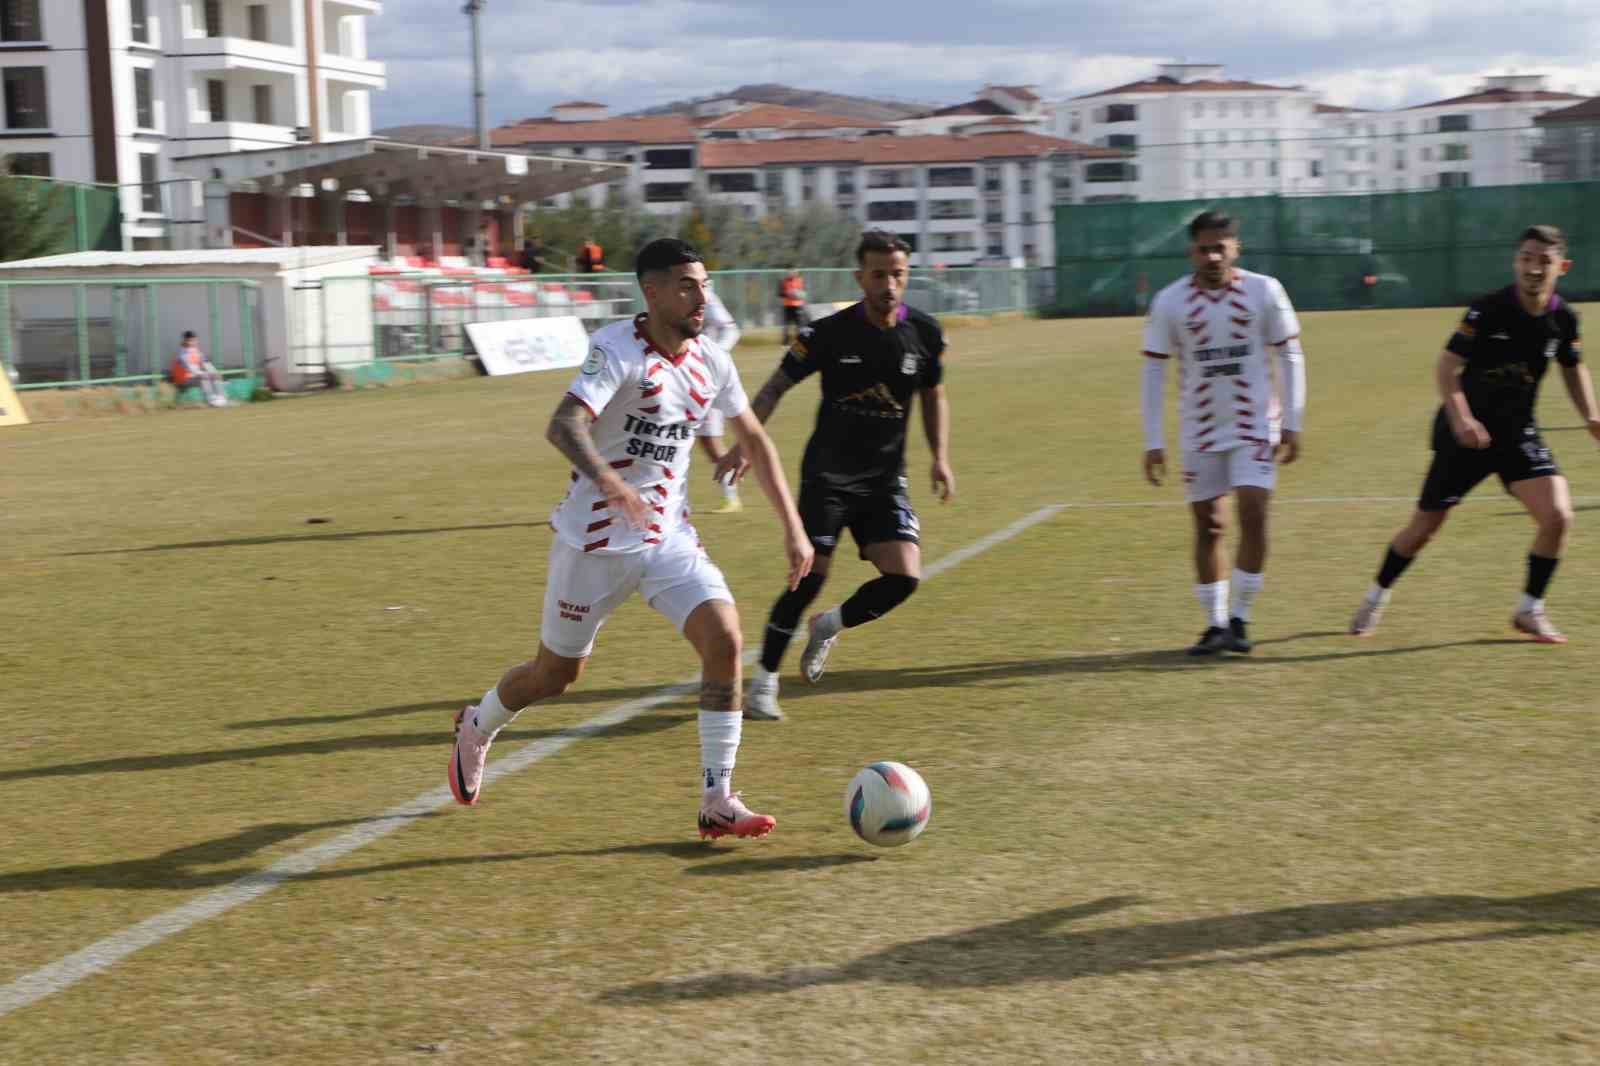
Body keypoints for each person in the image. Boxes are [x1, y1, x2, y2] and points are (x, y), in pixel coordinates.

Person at [447, 238, 814, 840]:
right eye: (686, 286)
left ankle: (717, 799)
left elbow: (756, 440)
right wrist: (611, 481)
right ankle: (478, 723)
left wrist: (793, 530)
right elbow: (564, 424)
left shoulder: (712, 362)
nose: (701, 298)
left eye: (704, 285)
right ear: (651, 290)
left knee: (724, 640)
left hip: (669, 538)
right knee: (554, 676)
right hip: (592, 545)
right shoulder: (615, 349)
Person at [725, 230, 954, 721]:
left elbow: (933, 396)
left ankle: (828, 625)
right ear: (859, 277)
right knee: (808, 577)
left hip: (884, 480)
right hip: (827, 477)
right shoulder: (826, 334)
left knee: (904, 577)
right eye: (878, 274)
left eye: (897, 273)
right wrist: (745, 445)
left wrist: (940, 457)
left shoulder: (926, 334)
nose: (888, 284)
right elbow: (772, 389)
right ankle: (763, 683)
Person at [1349, 224, 1594, 643]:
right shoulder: (1487, 310)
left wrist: (1592, 415)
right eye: (1526, 259)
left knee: (1558, 516)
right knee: (1424, 527)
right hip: (1465, 436)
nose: (1533, 269)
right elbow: (1447, 368)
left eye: (1544, 261)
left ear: (1562, 267)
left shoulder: (1563, 318)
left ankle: (1529, 610)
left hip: (1518, 434)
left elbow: (1573, 367)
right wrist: (1462, 419)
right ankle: (1376, 597)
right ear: (1516, 261)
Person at [1141, 210, 1307, 655]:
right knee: (1209, 524)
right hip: (1199, 429)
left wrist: (1292, 421)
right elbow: (1153, 370)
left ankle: (1242, 617)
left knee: (1253, 511)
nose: (1213, 256)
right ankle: (1215, 625)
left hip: (1255, 424)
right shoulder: (1170, 302)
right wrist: (1153, 440)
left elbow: (1290, 356)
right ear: (1190, 251)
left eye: (1221, 247)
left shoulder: (1264, 291)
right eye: (1204, 248)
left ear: (1236, 248)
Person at [694, 281, 745, 514]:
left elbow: (731, 329)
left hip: (707, 378)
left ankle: (731, 497)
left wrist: (714, 357)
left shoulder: (707, 297)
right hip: (684, 375)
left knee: (710, 440)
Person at [170, 331, 229, 407]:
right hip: (182, 379)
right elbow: (191, 369)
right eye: (190, 340)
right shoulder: (182, 354)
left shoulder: (196, 351)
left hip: (192, 377)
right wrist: (205, 374)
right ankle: (211, 400)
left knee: (214, 376)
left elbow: (206, 363)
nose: (193, 342)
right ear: (184, 341)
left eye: (194, 340)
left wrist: (214, 372)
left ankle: (223, 399)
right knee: (204, 378)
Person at [778, 266, 808, 347]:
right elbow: (780, 294)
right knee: (786, 325)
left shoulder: (800, 280)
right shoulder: (783, 281)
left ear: (796, 272)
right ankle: (785, 342)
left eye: (794, 271)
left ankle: (800, 341)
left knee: (799, 325)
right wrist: (788, 293)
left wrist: (798, 294)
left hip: (798, 306)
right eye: (790, 272)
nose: (792, 273)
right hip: (787, 306)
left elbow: (804, 293)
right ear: (787, 273)